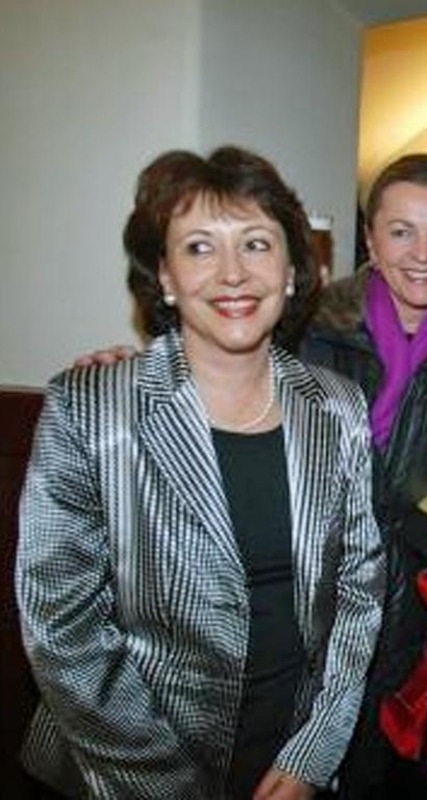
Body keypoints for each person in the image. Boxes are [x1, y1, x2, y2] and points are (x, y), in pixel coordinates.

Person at [16, 146, 384, 799]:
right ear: (163, 276)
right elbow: (62, 625)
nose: (233, 273)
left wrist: (313, 752)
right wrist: (168, 787)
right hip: (125, 768)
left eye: (256, 243)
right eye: (199, 248)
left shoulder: (339, 407)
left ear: (296, 269)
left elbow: (359, 595)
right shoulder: (91, 408)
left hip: (287, 759)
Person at [298, 153, 427, 798]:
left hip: (403, 621)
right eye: (401, 230)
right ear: (370, 237)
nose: (422, 253)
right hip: (299, 606)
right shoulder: (306, 327)